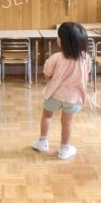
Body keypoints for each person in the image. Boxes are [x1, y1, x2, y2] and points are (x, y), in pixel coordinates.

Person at [31, 22, 90, 160]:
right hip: (73, 98)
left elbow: (47, 74)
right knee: (67, 122)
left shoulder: (56, 58)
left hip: (54, 95)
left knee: (47, 116)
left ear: (60, 41)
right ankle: (64, 149)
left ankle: (43, 142)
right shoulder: (86, 57)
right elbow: (86, 74)